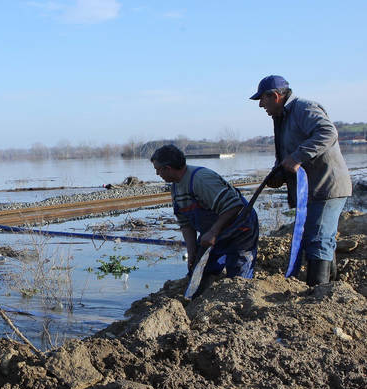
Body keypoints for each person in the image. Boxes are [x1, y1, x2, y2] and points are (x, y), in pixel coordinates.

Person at [250, 75, 352, 286]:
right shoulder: (281, 117)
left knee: (318, 238)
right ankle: (330, 287)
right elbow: (285, 154)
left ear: (275, 96)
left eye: (262, 99)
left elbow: (328, 133)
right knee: (317, 238)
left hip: (327, 187)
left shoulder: (303, 108)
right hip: (311, 190)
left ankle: (319, 292)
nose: (261, 105)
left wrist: (297, 157)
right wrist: (278, 174)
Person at [151, 145, 259, 295]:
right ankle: (197, 301)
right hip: (214, 230)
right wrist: (192, 250)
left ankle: (239, 302)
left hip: (240, 229)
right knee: (199, 272)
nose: (157, 174)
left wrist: (213, 232)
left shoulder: (200, 180)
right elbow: (186, 224)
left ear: (168, 168)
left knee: (239, 278)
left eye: (158, 169)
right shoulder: (176, 188)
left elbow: (234, 206)